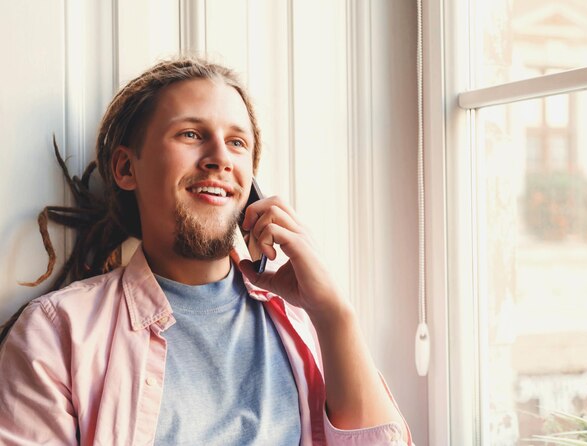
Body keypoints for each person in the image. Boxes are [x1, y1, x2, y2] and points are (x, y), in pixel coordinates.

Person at [0, 57, 412, 445]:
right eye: (192, 134)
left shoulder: (308, 324)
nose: (220, 159)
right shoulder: (55, 333)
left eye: (237, 143)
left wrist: (335, 313)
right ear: (126, 169)